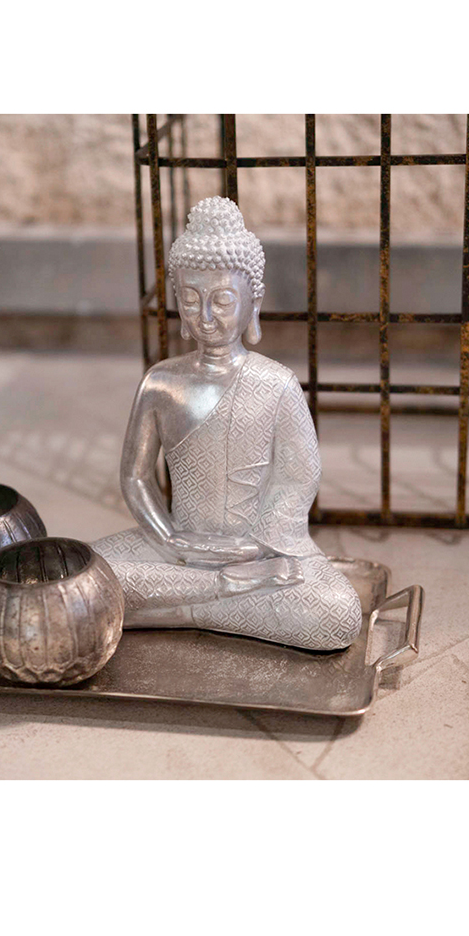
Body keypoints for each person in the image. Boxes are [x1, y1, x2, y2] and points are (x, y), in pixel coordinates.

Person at [92, 196, 361, 650]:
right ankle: (218, 596)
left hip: (259, 552)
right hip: (178, 550)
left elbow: (299, 478)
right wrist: (171, 539)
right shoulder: (161, 382)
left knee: (337, 612)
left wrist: (254, 547)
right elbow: (135, 477)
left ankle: (177, 606)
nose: (205, 316)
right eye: (190, 299)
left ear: (254, 302)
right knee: (81, 572)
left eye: (221, 300)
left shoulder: (276, 384)